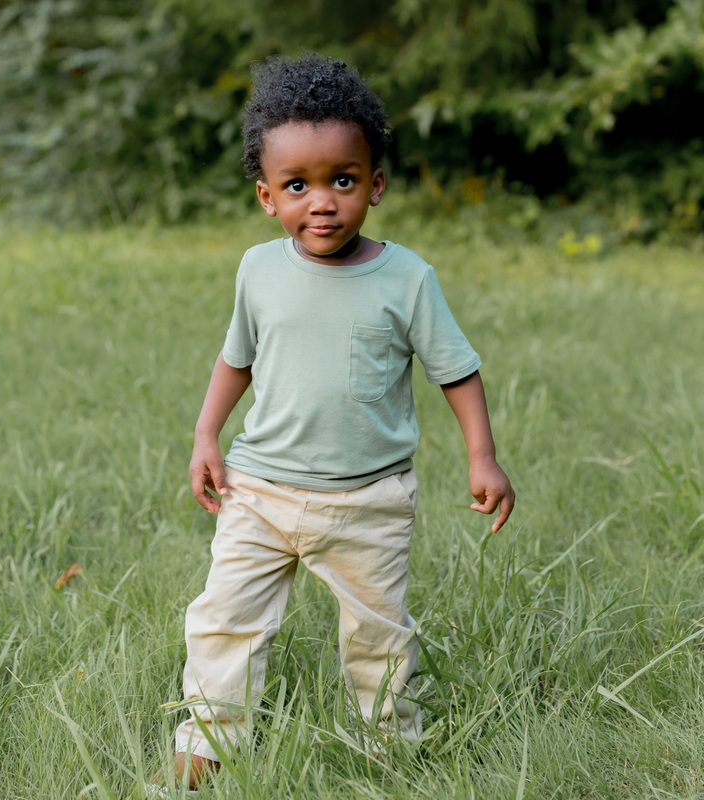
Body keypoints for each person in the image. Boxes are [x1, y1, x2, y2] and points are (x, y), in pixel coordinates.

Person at [172, 52, 515, 790]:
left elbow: (455, 368)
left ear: (376, 185)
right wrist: (206, 435)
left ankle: (392, 757)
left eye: (343, 181)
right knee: (222, 621)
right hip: (259, 490)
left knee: (378, 639)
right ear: (268, 197)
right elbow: (238, 358)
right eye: (298, 186)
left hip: (369, 501)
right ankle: (206, 748)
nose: (321, 202)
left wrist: (481, 456)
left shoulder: (407, 279)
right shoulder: (258, 271)